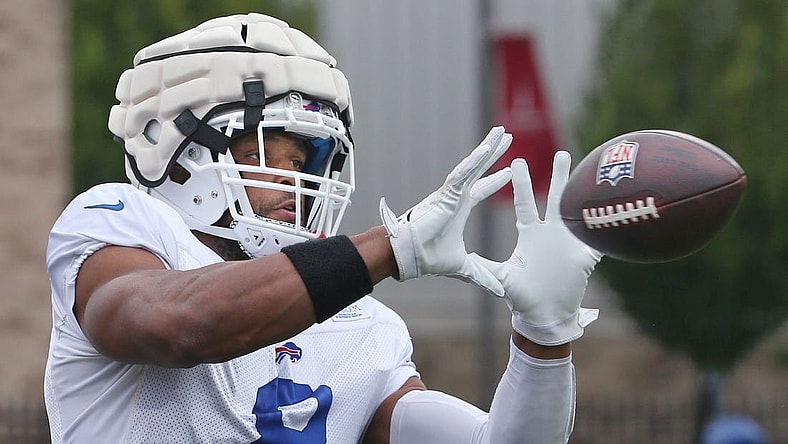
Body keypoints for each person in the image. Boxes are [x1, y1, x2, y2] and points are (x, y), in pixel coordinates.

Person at [44, 13, 602, 444]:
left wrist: (543, 337)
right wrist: (392, 246)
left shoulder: (360, 323)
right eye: (270, 154)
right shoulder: (117, 224)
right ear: (180, 150)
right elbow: (176, 324)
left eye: (307, 162)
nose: (295, 181)